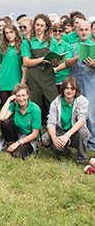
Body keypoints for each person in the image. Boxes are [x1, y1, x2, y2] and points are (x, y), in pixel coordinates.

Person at [42, 77, 90, 165]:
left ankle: (81, 159)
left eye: (72, 88)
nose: (69, 91)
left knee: (83, 132)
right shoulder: (55, 103)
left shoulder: (82, 101)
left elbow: (81, 120)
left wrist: (67, 135)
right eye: (67, 88)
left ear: (76, 90)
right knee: (46, 138)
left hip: (75, 133)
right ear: (63, 89)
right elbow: (51, 122)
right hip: (61, 131)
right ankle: (64, 154)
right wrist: (54, 138)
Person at [21, 14, 59, 119]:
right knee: (35, 105)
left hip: (48, 77)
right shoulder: (27, 42)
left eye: (42, 25)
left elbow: (56, 62)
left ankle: (57, 128)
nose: (39, 27)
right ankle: (35, 130)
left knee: (54, 103)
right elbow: (26, 62)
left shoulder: (52, 41)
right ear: (34, 26)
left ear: (46, 27)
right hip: (33, 78)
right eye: (37, 25)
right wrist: (42, 59)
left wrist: (56, 62)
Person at [65, 20, 95, 150]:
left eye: (86, 30)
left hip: (90, 83)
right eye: (81, 30)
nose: (83, 32)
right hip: (74, 82)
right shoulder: (71, 46)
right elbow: (66, 63)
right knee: (74, 112)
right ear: (76, 31)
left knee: (90, 113)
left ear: (90, 31)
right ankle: (76, 141)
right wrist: (77, 57)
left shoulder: (93, 46)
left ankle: (92, 142)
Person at [0, 83, 41, 159]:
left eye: (23, 95)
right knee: (5, 123)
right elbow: (1, 117)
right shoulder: (14, 106)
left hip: (29, 137)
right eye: (18, 96)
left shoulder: (35, 109)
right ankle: (9, 144)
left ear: (28, 95)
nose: (21, 98)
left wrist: (18, 143)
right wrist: (8, 100)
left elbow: (35, 134)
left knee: (16, 155)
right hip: (17, 134)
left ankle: (18, 147)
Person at [0, 24, 23, 107]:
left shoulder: (21, 46)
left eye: (11, 32)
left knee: (16, 105)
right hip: (3, 80)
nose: (9, 35)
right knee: (4, 104)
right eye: (6, 33)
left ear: (16, 32)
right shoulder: (0, 47)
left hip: (16, 80)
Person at [51, 23, 70, 92]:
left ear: (64, 32)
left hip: (62, 78)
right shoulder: (48, 44)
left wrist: (55, 69)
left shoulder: (66, 46)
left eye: (60, 31)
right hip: (49, 78)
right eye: (55, 31)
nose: (57, 33)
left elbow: (66, 62)